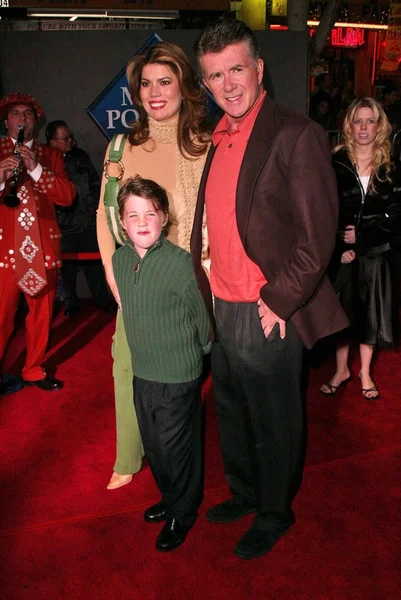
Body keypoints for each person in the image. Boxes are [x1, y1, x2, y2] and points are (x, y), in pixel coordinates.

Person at [191, 18, 348, 560]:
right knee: (231, 411)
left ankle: (275, 511)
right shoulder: (218, 138)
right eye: (216, 75)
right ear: (206, 85)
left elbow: (318, 234)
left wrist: (280, 299)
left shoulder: (293, 133)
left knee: (273, 421)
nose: (228, 83)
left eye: (237, 69)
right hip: (221, 302)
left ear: (258, 69)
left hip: (266, 308)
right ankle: (245, 493)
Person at [97, 42, 210, 490]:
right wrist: (113, 275)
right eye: (146, 84)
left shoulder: (206, 145)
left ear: (185, 86)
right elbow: (105, 220)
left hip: (192, 281)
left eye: (165, 82)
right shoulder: (121, 147)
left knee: (184, 380)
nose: (155, 92)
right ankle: (128, 454)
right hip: (138, 281)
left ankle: (181, 472)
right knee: (125, 365)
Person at [113, 175, 210, 552]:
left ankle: (183, 513)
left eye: (149, 213)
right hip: (143, 373)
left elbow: (201, 316)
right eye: (132, 215)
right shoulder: (121, 261)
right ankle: (171, 497)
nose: (141, 222)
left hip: (178, 374)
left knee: (177, 448)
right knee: (154, 446)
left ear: (164, 218)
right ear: (121, 221)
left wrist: (200, 351)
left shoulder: (180, 265)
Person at [320, 98, 401, 400]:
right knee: (342, 314)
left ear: (379, 126)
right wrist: (339, 246)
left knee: (372, 314)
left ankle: (365, 371)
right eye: (358, 121)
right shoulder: (335, 163)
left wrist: (363, 237)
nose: (364, 127)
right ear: (349, 126)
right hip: (343, 254)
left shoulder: (391, 167)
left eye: (370, 121)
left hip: (377, 253)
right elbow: (326, 211)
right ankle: (341, 369)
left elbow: (396, 215)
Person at [0, 92, 76, 396]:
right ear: (6, 121)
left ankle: (33, 369)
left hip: (42, 250)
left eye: (28, 114)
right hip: (3, 251)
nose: (22, 119)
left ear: (36, 120)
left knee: (41, 315)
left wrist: (35, 169)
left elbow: (68, 197)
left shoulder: (52, 155)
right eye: (16, 114)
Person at [46, 120, 112, 316]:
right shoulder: (45, 161)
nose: (70, 141)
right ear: (52, 141)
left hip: (87, 222)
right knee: (66, 269)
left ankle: (102, 301)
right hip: (63, 226)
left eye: (70, 136)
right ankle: (70, 305)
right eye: (65, 138)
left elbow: (94, 183)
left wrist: (93, 210)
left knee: (95, 266)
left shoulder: (80, 156)